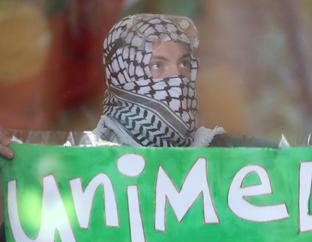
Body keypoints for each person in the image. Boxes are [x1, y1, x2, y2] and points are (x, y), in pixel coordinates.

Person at [0, 13, 271, 159]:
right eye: (158, 65)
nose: (176, 78)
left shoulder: (227, 156)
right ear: (122, 77)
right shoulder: (82, 169)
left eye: (184, 64)